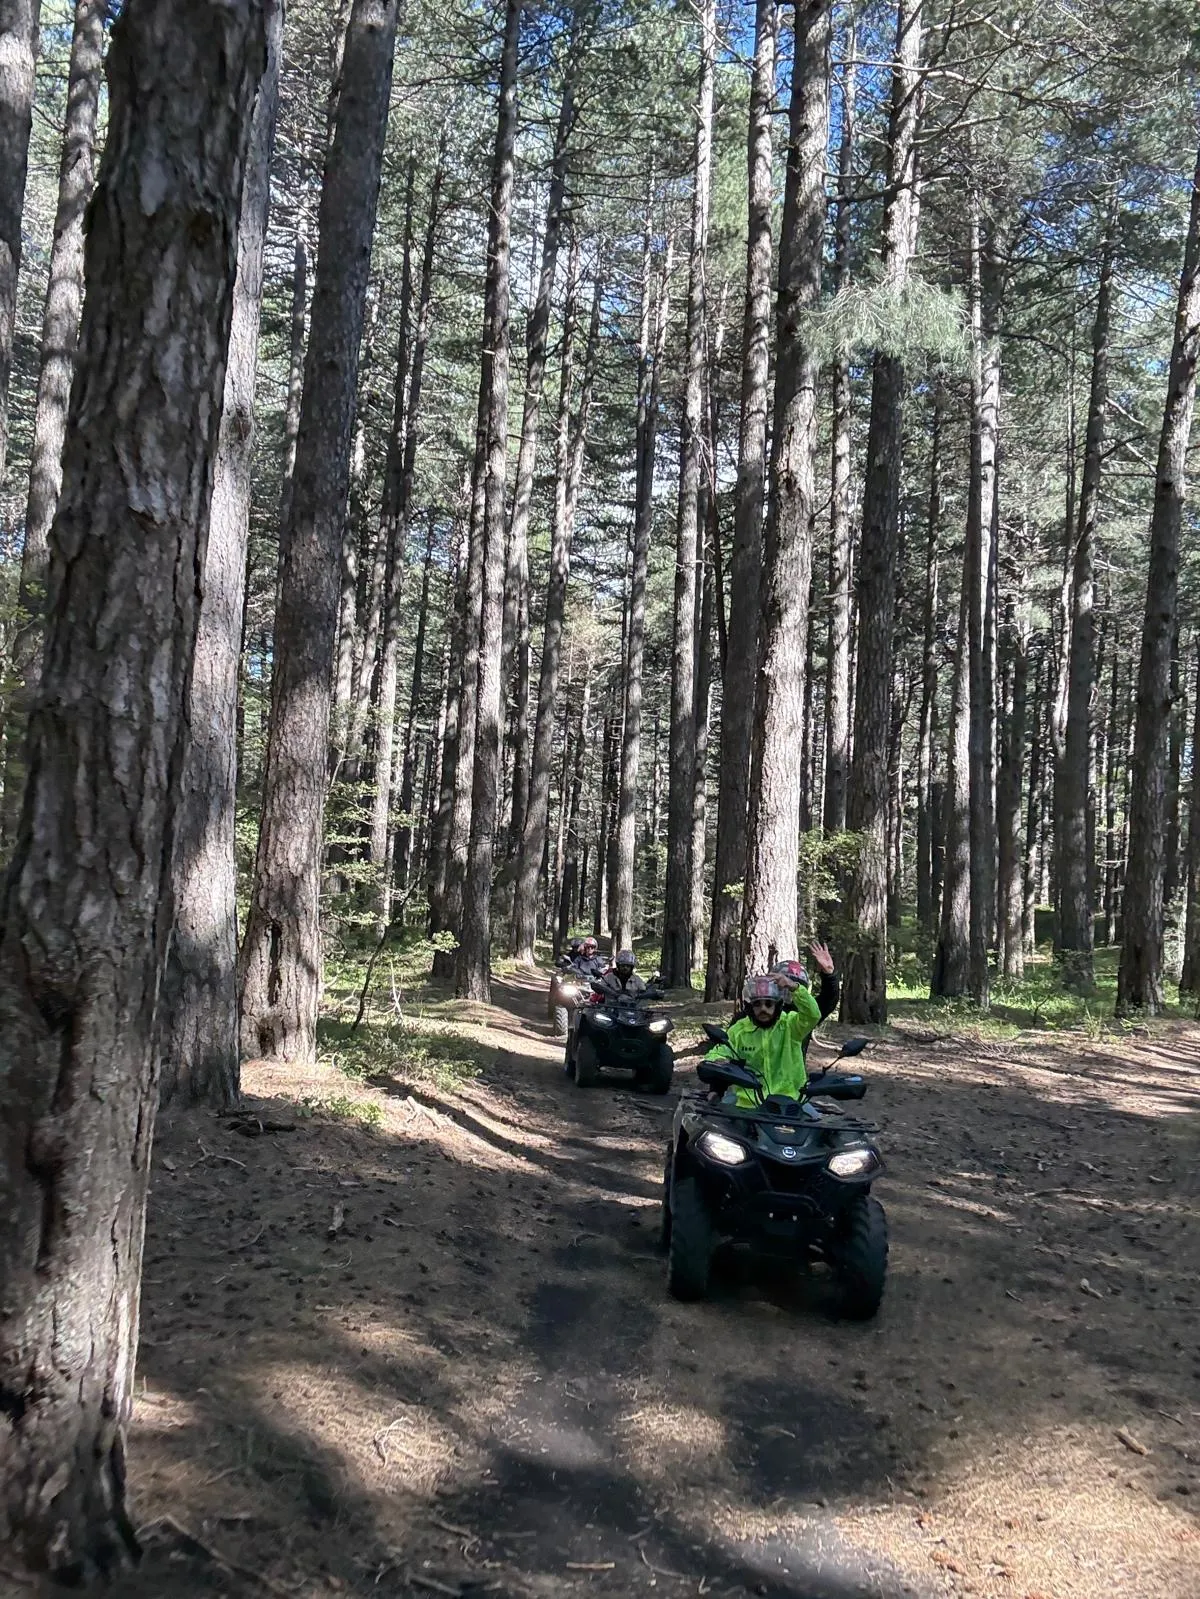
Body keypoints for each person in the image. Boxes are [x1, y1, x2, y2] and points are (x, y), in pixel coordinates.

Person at [706, 973, 821, 1106]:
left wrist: (794, 987)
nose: (763, 1009)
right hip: (747, 1103)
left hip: (791, 1101)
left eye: (768, 1004)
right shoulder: (739, 1030)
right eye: (757, 1004)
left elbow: (813, 1015)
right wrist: (716, 1061)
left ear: (777, 1005)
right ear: (750, 1006)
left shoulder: (791, 1025)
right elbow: (719, 1051)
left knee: (816, 1119)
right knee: (714, 1116)